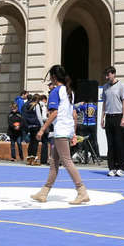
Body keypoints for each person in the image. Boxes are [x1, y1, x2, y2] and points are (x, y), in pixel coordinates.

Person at [30, 65, 91, 205]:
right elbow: (73, 114)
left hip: (60, 130)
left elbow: (54, 113)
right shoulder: (70, 92)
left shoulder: (55, 91)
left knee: (66, 161)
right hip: (67, 128)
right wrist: (73, 132)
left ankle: (82, 191)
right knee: (54, 162)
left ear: (53, 77)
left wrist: (42, 129)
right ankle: (44, 192)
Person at [101, 66, 124, 176]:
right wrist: (102, 118)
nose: (106, 77)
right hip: (108, 116)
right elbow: (104, 103)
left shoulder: (121, 86)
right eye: (106, 75)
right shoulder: (105, 87)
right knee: (110, 143)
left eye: (108, 75)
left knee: (119, 143)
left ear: (113, 74)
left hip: (118, 116)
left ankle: (121, 167)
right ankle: (112, 167)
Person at [22, 94, 43, 165]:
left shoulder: (28, 105)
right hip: (36, 125)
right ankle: (34, 159)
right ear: (37, 100)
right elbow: (39, 116)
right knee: (35, 142)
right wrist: (42, 126)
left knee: (31, 142)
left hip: (30, 125)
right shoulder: (36, 105)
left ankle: (29, 159)